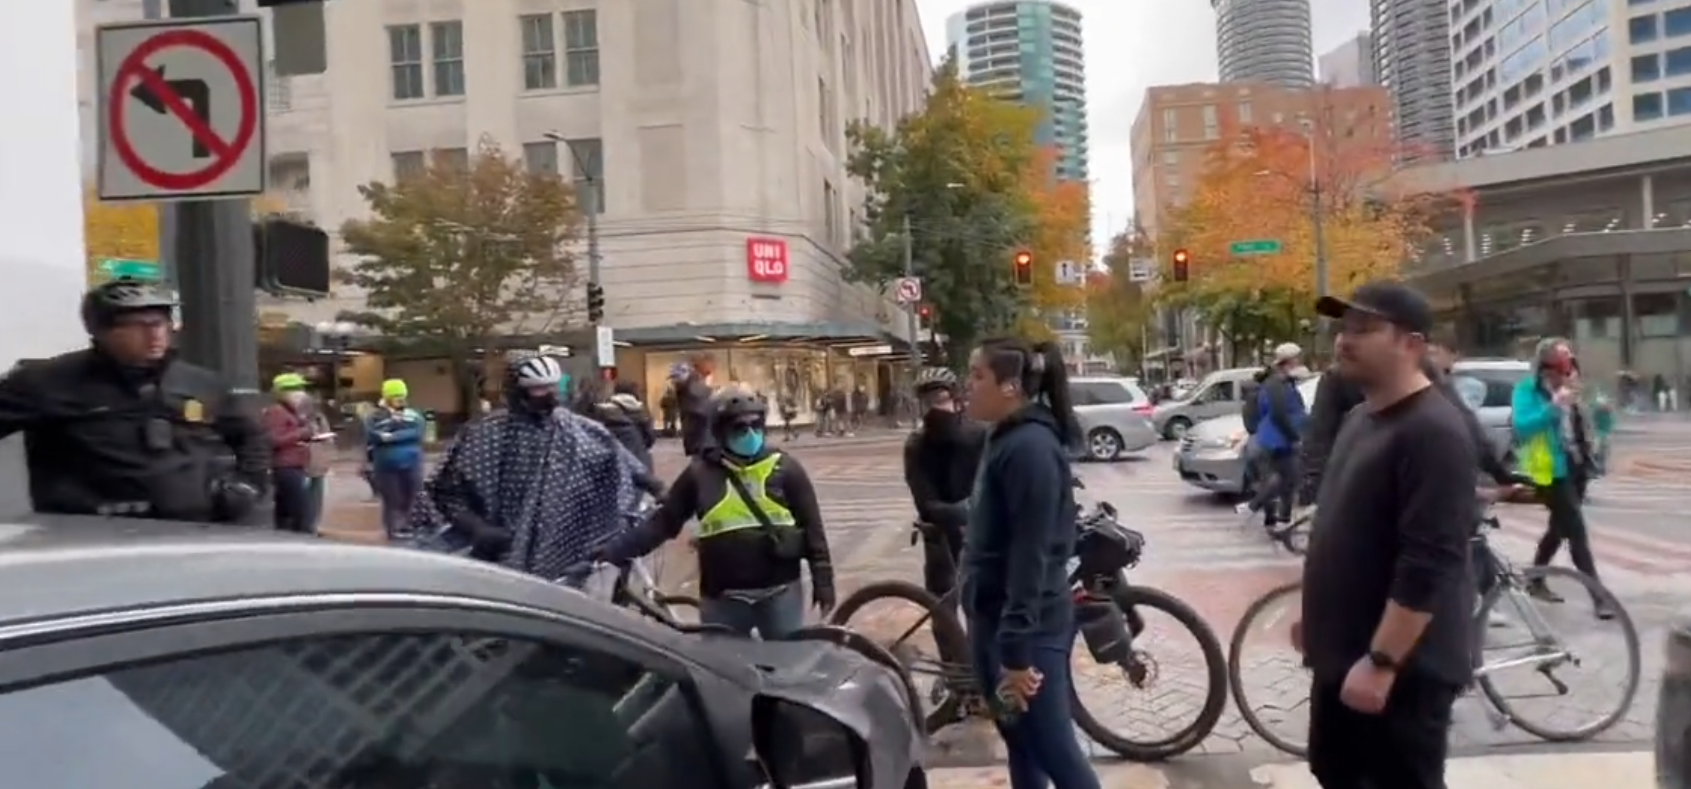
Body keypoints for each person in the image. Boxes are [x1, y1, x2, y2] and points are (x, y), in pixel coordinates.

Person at [1295, 282, 1476, 789]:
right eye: (1343, 328)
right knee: (1337, 773)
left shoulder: (1433, 431)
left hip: (1402, 674)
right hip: (1344, 653)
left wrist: (1382, 661)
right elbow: (1340, 526)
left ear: (1411, 344)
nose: (1344, 341)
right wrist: (1315, 619)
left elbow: (1429, 561)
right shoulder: (1359, 419)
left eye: (1364, 328)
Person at [0, 278, 268, 521]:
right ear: (101, 330)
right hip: (94, 536)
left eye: (161, 323)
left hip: (195, 531)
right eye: (140, 325)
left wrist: (247, 487)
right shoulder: (48, 382)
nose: (156, 335)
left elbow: (250, 437)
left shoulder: (201, 383)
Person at [959, 338, 1100, 789]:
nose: (968, 385)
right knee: (1022, 746)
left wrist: (1016, 654)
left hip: (1026, 632)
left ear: (1010, 387)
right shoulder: (1003, 438)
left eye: (978, 375)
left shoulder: (1030, 448)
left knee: (1055, 752)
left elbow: (1031, 554)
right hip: (992, 620)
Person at [597, 387, 836, 638]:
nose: (749, 433)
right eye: (739, 428)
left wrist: (824, 583)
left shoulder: (786, 468)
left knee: (788, 669)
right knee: (720, 671)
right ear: (720, 431)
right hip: (723, 600)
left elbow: (813, 529)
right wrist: (615, 550)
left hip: (780, 594)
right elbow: (664, 523)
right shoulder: (699, 474)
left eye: (755, 425)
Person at [417, 353, 646, 577]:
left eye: (553, 387)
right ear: (518, 392)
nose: (551, 395)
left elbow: (615, 455)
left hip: (562, 547)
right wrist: (477, 528)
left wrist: (655, 486)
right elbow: (444, 489)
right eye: (540, 389)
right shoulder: (487, 433)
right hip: (502, 549)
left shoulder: (572, 427)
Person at [1512, 338, 1612, 619]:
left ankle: (1534, 579)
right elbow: (1522, 428)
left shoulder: (1573, 389)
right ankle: (1599, 597)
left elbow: (1590, 425)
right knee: (1576, 532)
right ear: (1544, 370)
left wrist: (1602, 416)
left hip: (1576, 466)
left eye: (1569, 369)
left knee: (1559, 527)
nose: (1565, 376)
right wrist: (1553, 408)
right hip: (1548, 471)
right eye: (1560, 370)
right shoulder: (1527, 392)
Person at [902, 367, 987, 600]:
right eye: (926, 402)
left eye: (939, 399)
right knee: (942, 604)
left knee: (982, 602)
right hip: (940, 539)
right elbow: (926, 503)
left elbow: (992, 486)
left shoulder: (980, 436)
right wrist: (961, 511)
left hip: (980, 535)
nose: (933, 409)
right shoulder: (917, 445)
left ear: (956, 399)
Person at [1236, 343, 1307, 532]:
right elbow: (1278, 414)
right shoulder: (1276, 384)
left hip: (1281, 441)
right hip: (1275, 441)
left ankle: (1282, 521)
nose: (1299, 362)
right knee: (1276, 480)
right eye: (1296, 358)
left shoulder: (1284, 382)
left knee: (1289, 479)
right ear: (1288, 361)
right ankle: (1253, 507)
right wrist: (1294, 436)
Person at [366, 379, 425, 542]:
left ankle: (410, 526)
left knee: (412, 495)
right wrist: (394, 429)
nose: (400, 400)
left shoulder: (413, 415)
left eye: (401, 396)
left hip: (412, 462)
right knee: (392, 498)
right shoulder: (375, 416)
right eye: (395, 396)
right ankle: (393, 530)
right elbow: (374, 435)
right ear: (387, 397)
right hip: (386, 464)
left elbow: (418, 433)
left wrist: (392, 436)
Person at [263, 372, 319, 533]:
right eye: (297, 390)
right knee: (298, 508)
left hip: (295, 464)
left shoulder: (291, 412)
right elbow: (274, 439)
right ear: (285, 392)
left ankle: (287, 535)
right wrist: (302, 433)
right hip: (285, 466)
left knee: (288, 508)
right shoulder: (276, 412)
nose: (302, 394)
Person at [593, 379, 657, 471]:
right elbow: (650, 439)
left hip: (611, 464)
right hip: (639, 461)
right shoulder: (641, 411)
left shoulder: (603, 411)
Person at [671, 355, 714, 456]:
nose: (673, 382)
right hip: (697, 438)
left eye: (675, 378)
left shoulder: (693, 389)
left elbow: (698, 413)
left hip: (700, 439)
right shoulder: (688, 388)